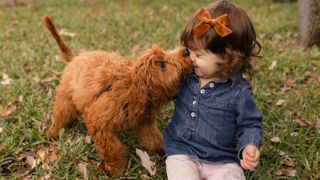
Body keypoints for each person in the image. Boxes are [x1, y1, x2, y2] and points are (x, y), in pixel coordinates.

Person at [164, 0, 263, 179]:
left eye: (199, 54)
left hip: (222, 159)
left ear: (228, 57)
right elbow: (164, 91)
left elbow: (250, 124)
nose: (191, 58)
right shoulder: (186, 77)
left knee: (231, 175)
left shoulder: (238, 92)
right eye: (189, 50)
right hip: (181, 152)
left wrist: (250, 145)